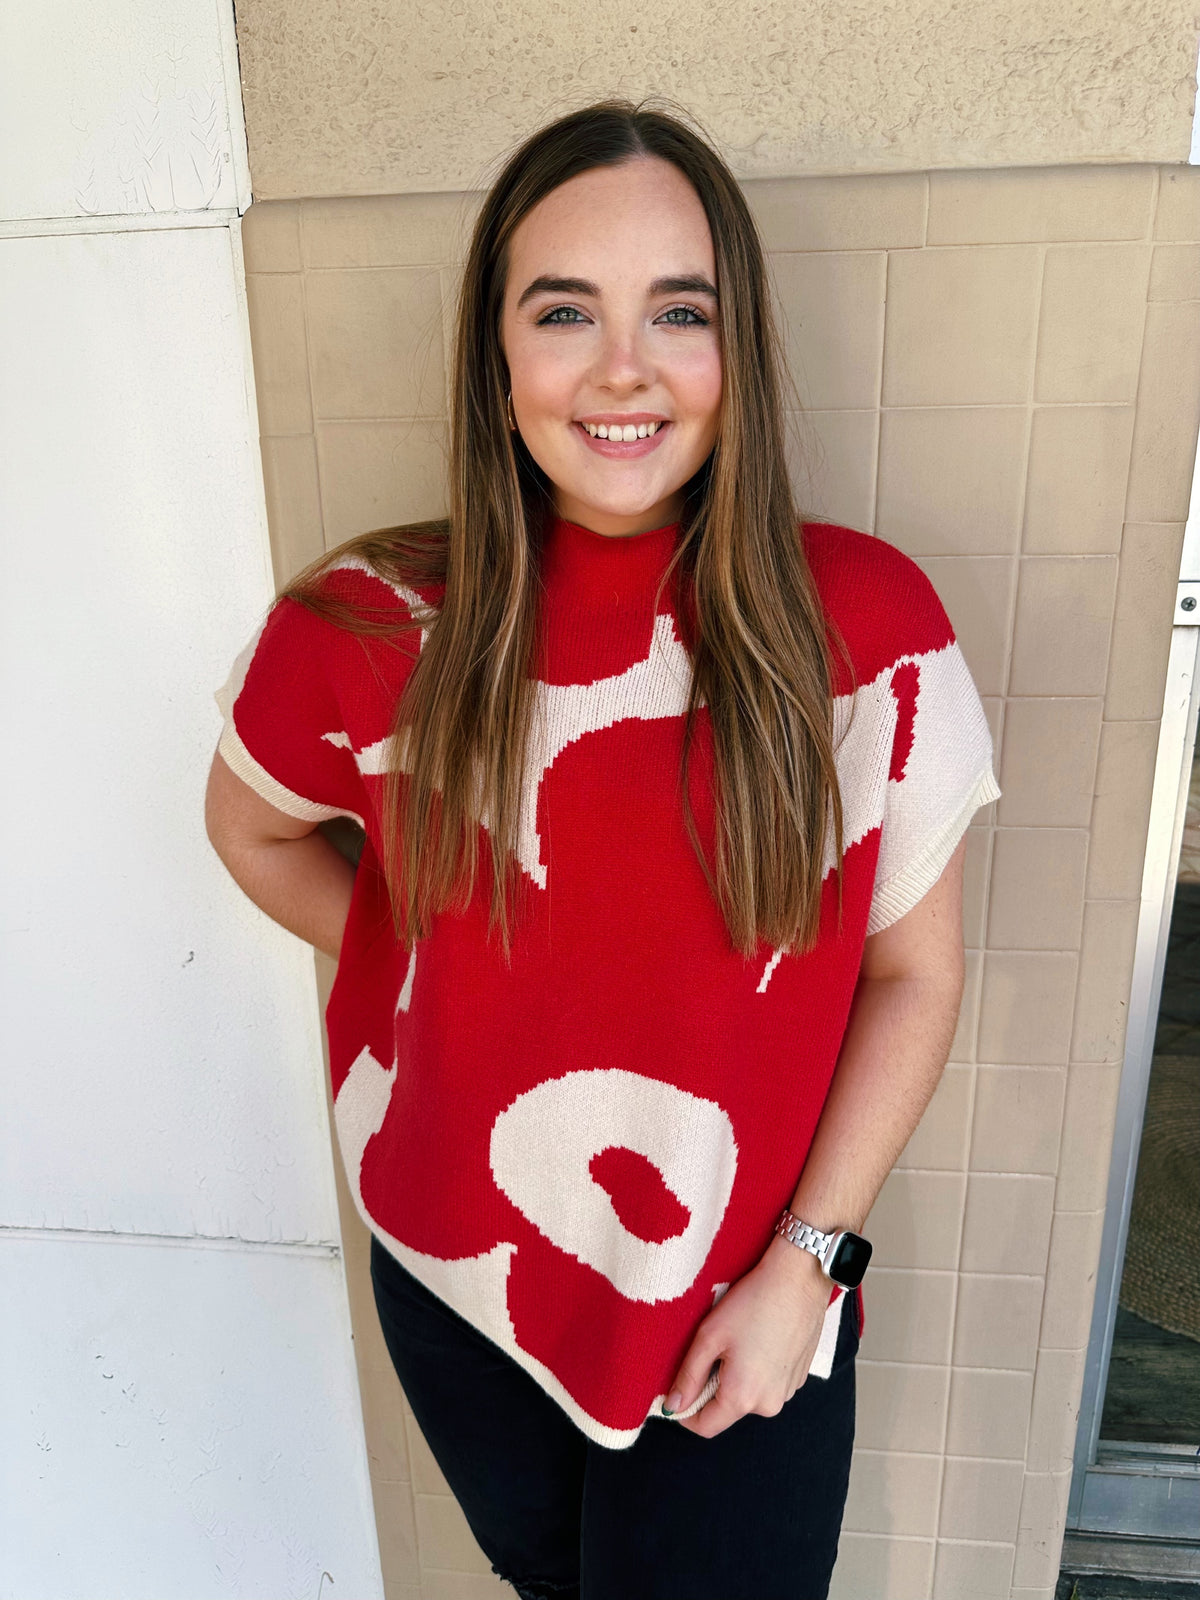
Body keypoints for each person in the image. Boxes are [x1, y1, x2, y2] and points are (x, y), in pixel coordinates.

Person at [205, 99, 999, 1600]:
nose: (623, 367)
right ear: (496, 354)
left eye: (676, 313)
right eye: (564, 310)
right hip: (459, 1281)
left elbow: (914, 976)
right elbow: (249, 826)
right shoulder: (370, 628)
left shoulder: (867, 634)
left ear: (733, 349)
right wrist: (431, 961)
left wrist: (808, 1267)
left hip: (742, 1312)